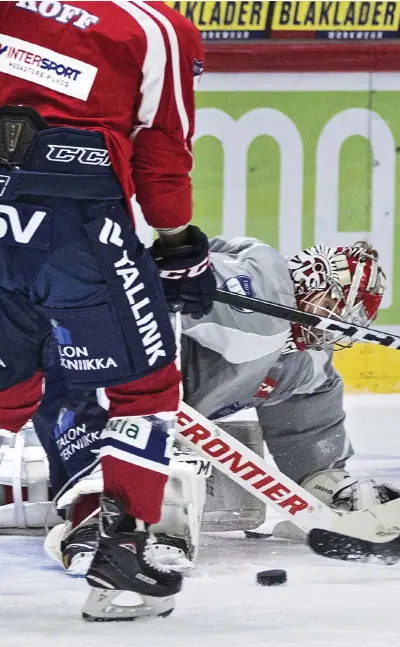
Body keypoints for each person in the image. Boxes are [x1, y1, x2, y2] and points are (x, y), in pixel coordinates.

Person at [4, 235, 400, 575]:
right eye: (339, 308)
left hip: (156, 416)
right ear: (316, 283)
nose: (337, 326)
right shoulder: (257, 283)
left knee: (302, 386)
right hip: (89, 372)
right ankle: (95, 514)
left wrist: (327, 485)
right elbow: (150, 290)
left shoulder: (303, 363)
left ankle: (129, 507)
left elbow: (309, 429)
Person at [0, 0, 216, 621]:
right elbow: (163, 150)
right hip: (75, 223)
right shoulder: (154, 26)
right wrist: (177, 248)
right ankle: (125, 564)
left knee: (8, 390)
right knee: (144, 387)